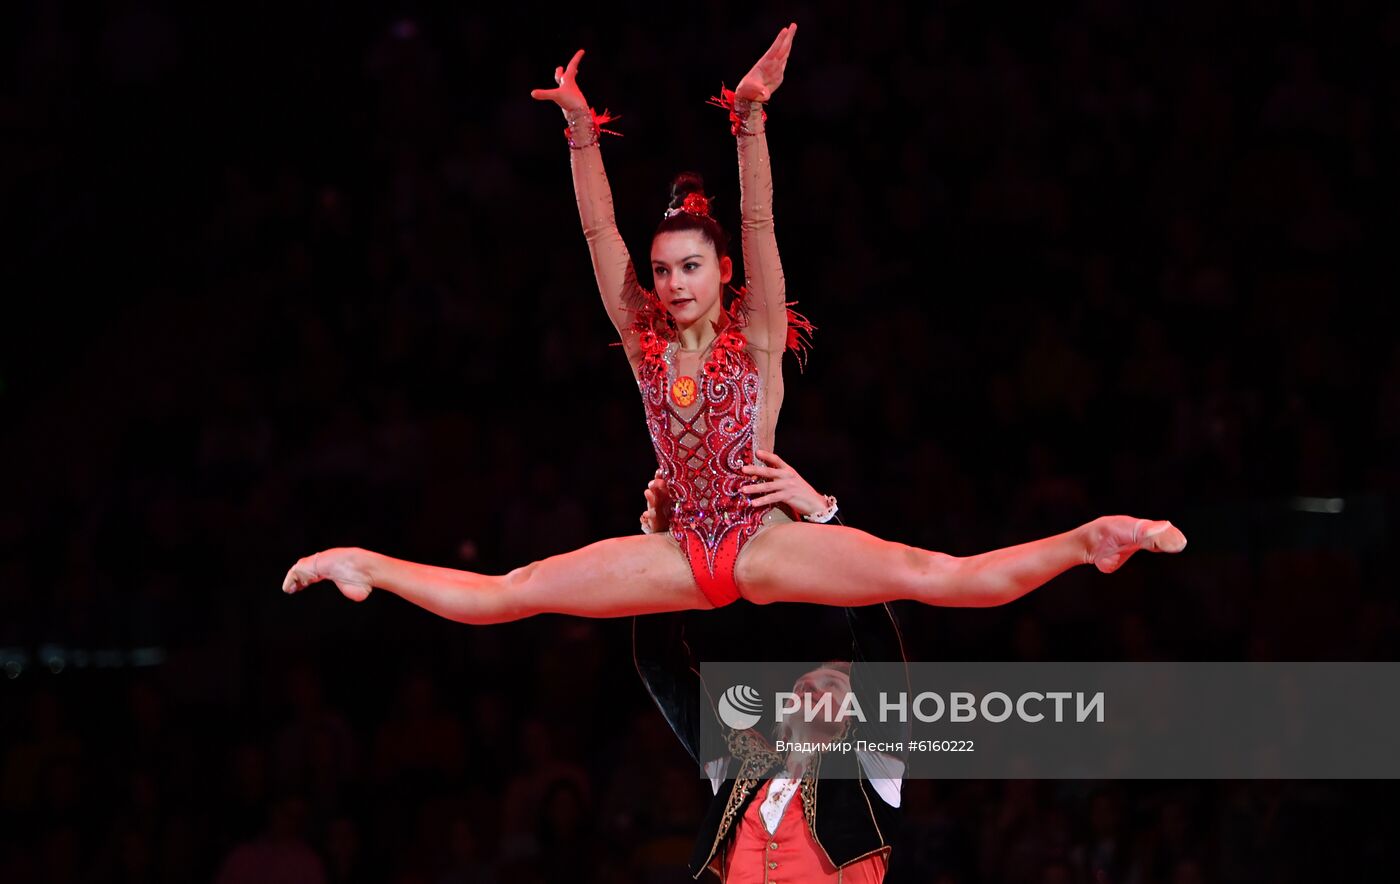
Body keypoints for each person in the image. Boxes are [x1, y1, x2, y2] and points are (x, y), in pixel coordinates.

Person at [281, 23, 1186, 622]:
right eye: (663, 270)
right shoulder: (642, 343)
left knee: (928, 573)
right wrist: (581, 135)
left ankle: (1089, 540)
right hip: (678, 556)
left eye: (688, 269)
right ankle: (367, 563)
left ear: (720, 276)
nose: (671, 284)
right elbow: (599, 232)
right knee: (518, 590)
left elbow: (759, 224)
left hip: (760, 546)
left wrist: (749, 119)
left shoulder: (753, 338)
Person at [633, 462, 909, 881]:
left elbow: (877, 638)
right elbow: (659, 663)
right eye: (812, 682)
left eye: (839, 686)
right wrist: (664, 548)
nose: (817, 687)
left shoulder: (874, 768)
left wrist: (823, 516)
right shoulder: (736, 768)